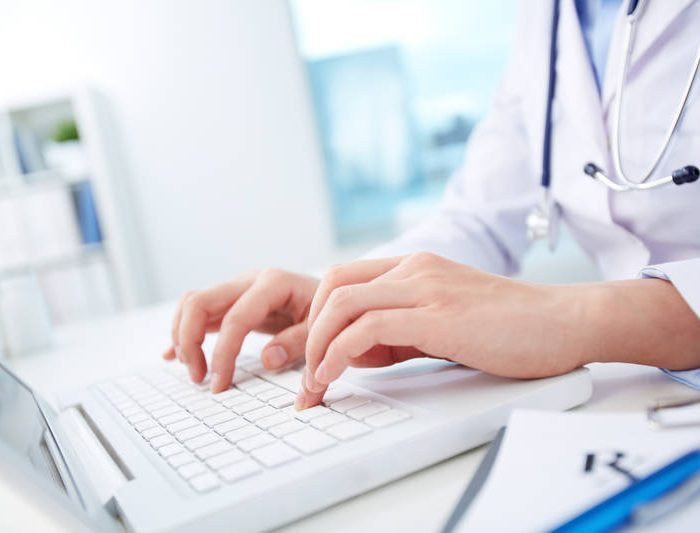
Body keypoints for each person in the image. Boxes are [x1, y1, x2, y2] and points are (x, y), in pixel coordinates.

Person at [163, 0, 700, 409]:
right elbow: (479, 218)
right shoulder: (552, 17)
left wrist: (573, 316)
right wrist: (357, 293)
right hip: (636, 396)